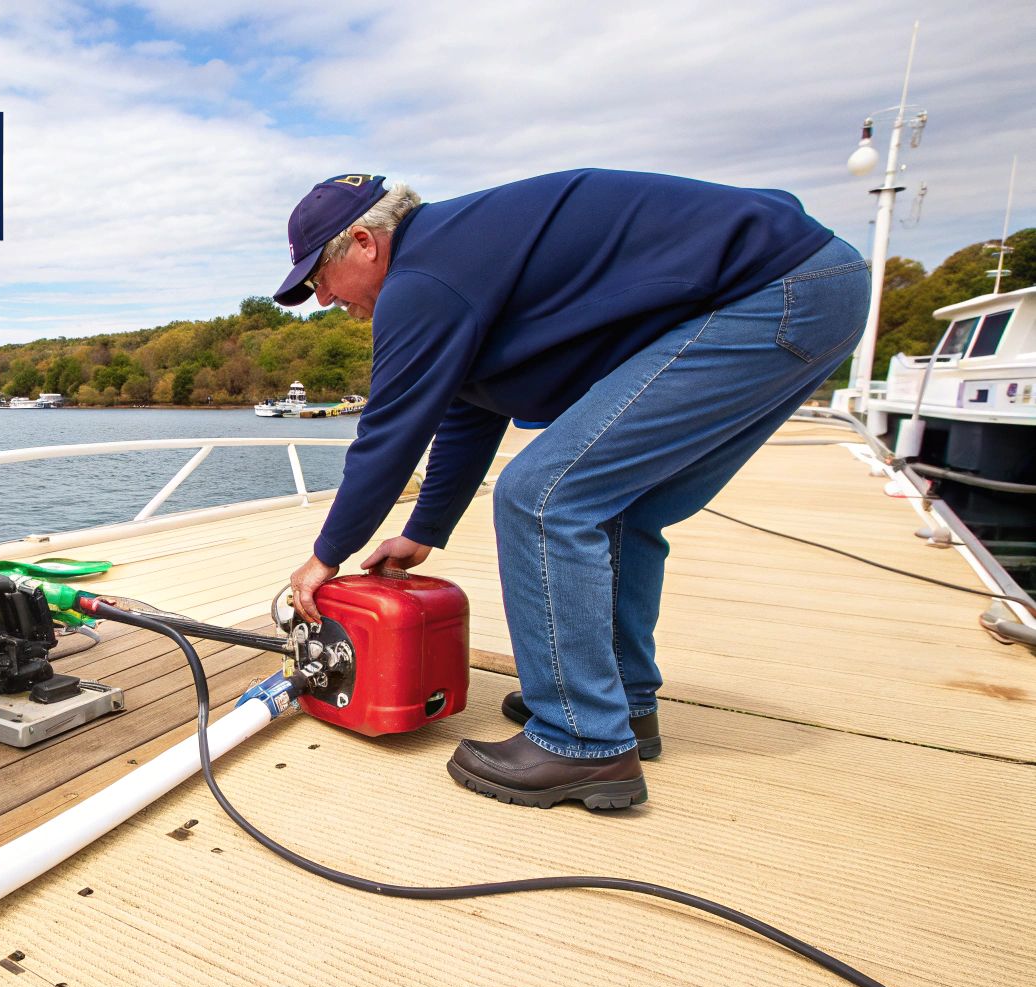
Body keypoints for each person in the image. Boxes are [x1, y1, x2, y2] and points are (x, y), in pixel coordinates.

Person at [276, 170, 868, 810]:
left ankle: (581, 741)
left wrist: (325, 556)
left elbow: (388, 433)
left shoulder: (422, 280)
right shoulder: (458, 259)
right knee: (624, 505)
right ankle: (619, 703)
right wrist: (424, 531)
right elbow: (468, 412)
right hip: (810, 286)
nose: (322, 300)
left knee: (542, 496)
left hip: (770, 292)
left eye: (319, 279)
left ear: (364, 241)